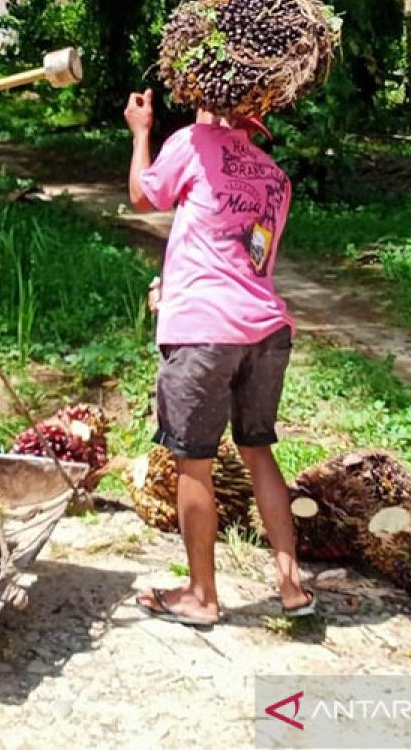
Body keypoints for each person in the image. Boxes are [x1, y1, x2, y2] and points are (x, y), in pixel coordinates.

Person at [125, 88, 313, 627]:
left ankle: (202, 596)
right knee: (258, 450)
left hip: (204, 332)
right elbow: (249, 259)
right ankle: (290, 582)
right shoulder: (276, 179)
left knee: (194, 461)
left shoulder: (190, 141)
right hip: (265, 330)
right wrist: (178, 283)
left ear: (205, 100)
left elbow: (144, 195)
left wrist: (142, 130)